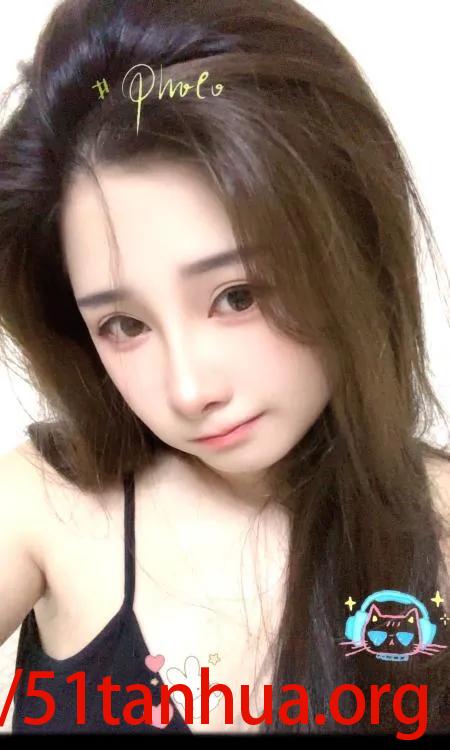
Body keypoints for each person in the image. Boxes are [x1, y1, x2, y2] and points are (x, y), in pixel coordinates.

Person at [0, 0, 449, 736]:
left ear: (353, 244)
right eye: (125, 325)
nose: (188, 390)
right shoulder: (44, 505)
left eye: (237, 295)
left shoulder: (440, 524)